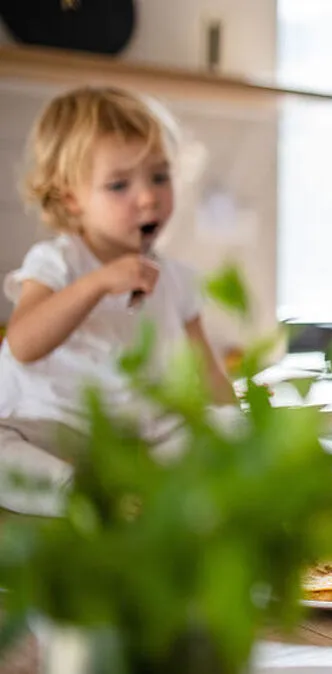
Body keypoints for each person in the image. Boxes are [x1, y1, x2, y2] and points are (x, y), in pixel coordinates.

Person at [0, 86, 234, 495]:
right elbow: (22, 343)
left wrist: (241, 437)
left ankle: (118, 497)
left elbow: (210, 375)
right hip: (50, 426)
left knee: (225, 426)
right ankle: (77, 495)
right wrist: (99, 282)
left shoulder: (177, 279)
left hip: (136, 436)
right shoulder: (58, 261)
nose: (148, 197)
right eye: (119, 185)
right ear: (71, 198)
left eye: (159, 176)